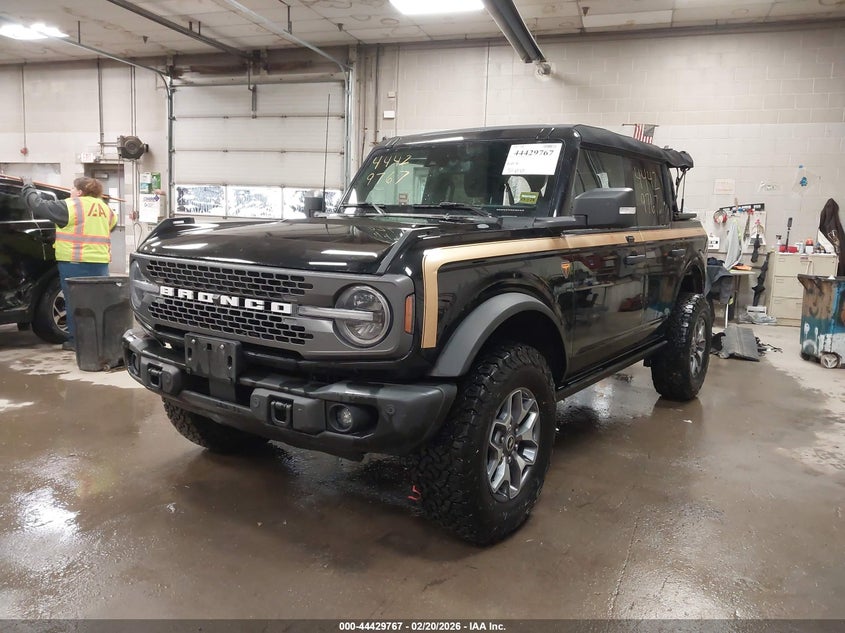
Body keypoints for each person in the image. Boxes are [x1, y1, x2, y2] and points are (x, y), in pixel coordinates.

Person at [21, 177, 117, 351]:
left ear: (80, 192)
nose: (70, 191)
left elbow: (38, 205)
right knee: (96, 303)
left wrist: (28, 187)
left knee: (75, 303)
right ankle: (97, 340)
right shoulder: (105, 208)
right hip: (100, 263)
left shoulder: (71, 206)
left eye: (72, 188)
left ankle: (76, 342)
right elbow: (111, 226)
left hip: (75, 262)